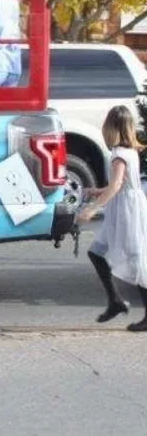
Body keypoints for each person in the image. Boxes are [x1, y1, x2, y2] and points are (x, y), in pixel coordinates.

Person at [76, 106, 147, 332]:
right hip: (127, 205)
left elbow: (118, 185)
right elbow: (124, 184)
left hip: (126, 211)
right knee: (96, 252)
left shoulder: (118, 155)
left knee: (137, 260)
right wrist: (99, 190)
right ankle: (115, 301)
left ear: (110, 128)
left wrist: (93, 208)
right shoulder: (130, 152)